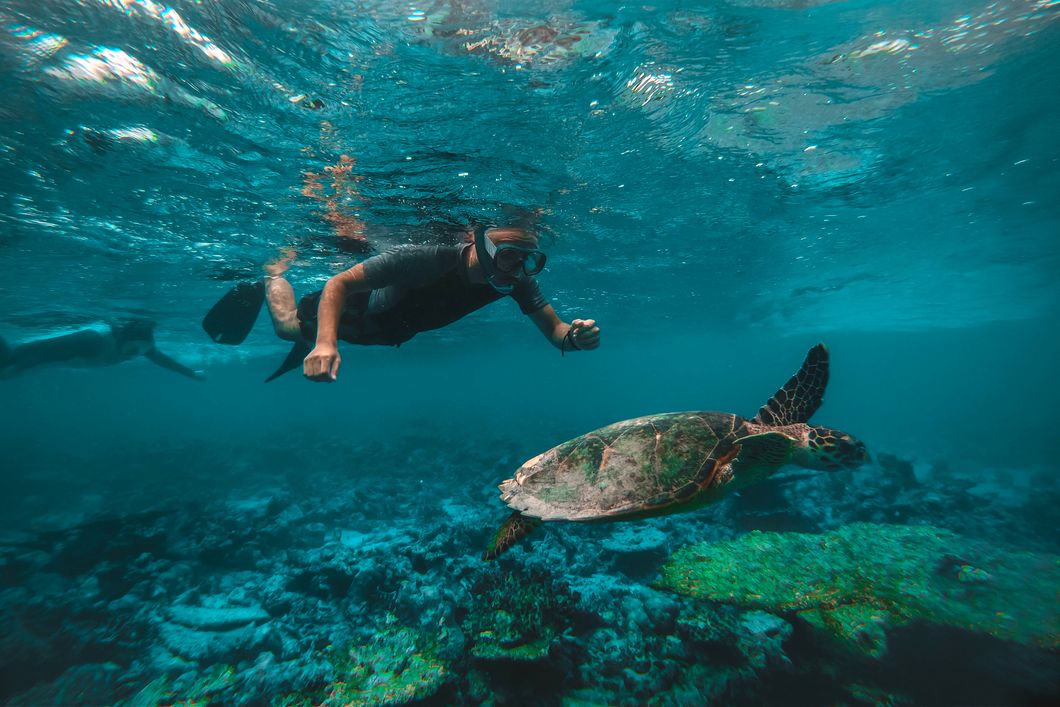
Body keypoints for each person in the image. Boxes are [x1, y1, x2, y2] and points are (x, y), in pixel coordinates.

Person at [203, 225, 600, 382]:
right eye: (509, 254)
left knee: (300, 336)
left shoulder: (516, 282)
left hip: (394, 330)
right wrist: (326, 343)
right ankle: (273, 274)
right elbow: (338, 284)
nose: (516, 269)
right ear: (482, 245)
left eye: (528, 260)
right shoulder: (427, 257)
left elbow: (555, 331)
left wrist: (575, 339)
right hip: (357, 310)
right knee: (286, 326)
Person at [0, 317, 204, 380]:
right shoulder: (93, 343)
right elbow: (46, 356)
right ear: (121, 339)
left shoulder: (141, 345)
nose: (137, 356)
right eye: (134, 350)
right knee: (7, 363)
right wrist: (16, 370)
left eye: (144, 351)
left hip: (45, 355)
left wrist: (191, 373)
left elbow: (163, 360)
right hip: (30, 352)